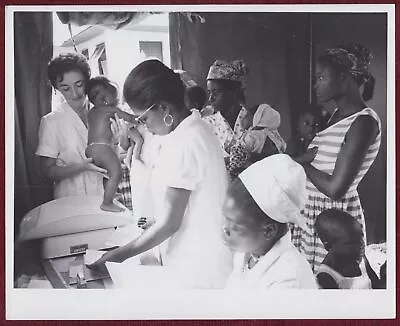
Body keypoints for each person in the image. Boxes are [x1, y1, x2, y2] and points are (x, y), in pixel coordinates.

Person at [88, 59, 233, 288]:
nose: (144, 125)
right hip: (206, 255)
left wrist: (117, 257)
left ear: (164, 108)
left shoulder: (184, 143)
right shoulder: (197, 127)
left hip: (198, 265)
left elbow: (169, 223)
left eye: (143, 118)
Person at [291, 43, 381, 271]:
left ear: (343, 77)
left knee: (330, 285)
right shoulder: (334, 116)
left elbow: (336, 189)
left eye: (321, 78)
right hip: (312, 213)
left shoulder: (363, 122)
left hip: (335, 223)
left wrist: (298, 164)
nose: (315, 85)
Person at [222, 154, 317, 289]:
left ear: (268, 230)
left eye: (235, 226)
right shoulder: (247, 253)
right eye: (226, 219)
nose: (225, 229)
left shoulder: (288, 277)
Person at [36, 53, 107, 199]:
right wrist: (82, 166)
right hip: (71, 200)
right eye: (65, 88)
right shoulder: (51, 122)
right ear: (56, 88)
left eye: (79, 85)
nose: (75, 94)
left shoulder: (102, 112)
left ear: (87, 82)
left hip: (105, 197)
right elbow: (47, 172)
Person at [85, 76, 137, 212]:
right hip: (103, 148)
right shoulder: (110, 109)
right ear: (105, 99)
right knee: (117, 173)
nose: (117, 100)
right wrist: (141, 118)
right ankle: (107, 202)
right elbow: (130, 118)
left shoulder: (91, 112)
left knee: (107, 174)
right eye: (115, 96)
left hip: (90, 149)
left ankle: (109, 196)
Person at [315, 209, 377, 289]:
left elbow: (374, 283)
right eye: (351, 243)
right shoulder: (326, 276)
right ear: (329, 246)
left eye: (361, 237)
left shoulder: (359, 258)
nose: (361, 245)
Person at [202, 59, 249, 158]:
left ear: (234, 91)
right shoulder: (206, 125)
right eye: (209, 92)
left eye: (216, 92)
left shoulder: (255, 119)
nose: (211, 98)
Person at [227, 103, 287, 177]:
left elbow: (240, 151)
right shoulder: (274, 136)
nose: (242, 118)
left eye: (246, 116)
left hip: (252, 172)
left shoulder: (253, 135)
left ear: (256, 118)